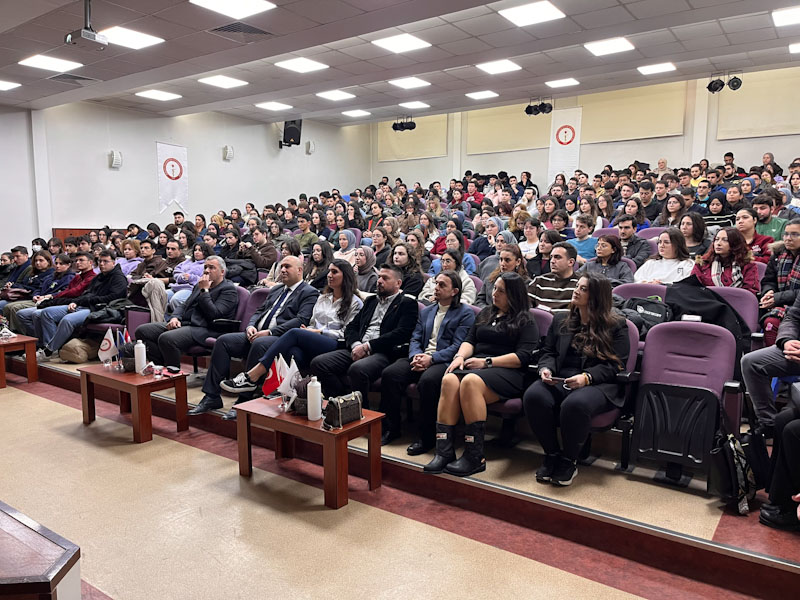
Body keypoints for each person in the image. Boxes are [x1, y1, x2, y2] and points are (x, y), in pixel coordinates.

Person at [423, 272, 539, 476]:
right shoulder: (486, 313)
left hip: (508, 371)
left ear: (514, 294)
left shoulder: (526, 320)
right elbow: (470, 340)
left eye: (501, 291)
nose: (495, 293)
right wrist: (460, 357)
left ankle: (475, 456)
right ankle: (444, 451)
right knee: (449, 379)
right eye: (495, 288)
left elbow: (523, 357)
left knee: (470, 382)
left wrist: (487, 362)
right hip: (478, 366)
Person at [219, 259, 363, 419]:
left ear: (347, 276)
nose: (329, 275)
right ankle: (289, 398)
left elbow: (348, 333)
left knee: (294, 333)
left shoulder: (355, 303)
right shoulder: (323, 298)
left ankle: (253, 376)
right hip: (313, 339)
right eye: (329, 271)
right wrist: (309, 330)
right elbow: (312, 321)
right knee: (292, 351)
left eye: (334, 272)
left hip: (335, 343)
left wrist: (320, 332)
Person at [523, 273, 630, 486]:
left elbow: (615, 365)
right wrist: (545, 369)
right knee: (534, 396)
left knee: (576, 403)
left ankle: (568, 460)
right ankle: (551, 453)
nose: (576, 291)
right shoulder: (561, 318)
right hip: (562, 376)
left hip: (598, 383)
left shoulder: (617, 325)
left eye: (583, 289)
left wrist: (586, 377)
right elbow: (549, 352)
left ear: (597, 297)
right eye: (577, 286)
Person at [189, 256, 319, 414]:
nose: (282, 270)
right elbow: (259, 311)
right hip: (257, 333)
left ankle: (244, 400)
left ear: (299, 270)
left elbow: (300, 320)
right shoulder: (277, 289)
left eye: (287, 267)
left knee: (260, 343)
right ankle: (212, 396)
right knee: (223, 341)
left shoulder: (309, 292)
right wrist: (250, 326)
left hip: (281, 338)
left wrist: (270, 332)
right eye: (281, 266)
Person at [381, 271, 476, 449]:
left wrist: (431, 359)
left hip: (444, 361)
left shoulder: (465, 313)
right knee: (390, 374)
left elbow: (458, 346)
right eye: (436, 283)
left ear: (454, 291)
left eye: (442, 285)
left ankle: (427, 437)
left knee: (428, 381)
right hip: (421, 356)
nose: (436, 288)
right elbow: (415, 338)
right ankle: (391, 428)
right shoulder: (427, 311)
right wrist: (415, 356)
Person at [310, 264, 418, 409]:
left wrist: (368, 347)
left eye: (385, 278)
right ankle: (341, 403)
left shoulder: (407, 303)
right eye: (379, 277)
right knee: (319, 363)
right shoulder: (371, 301)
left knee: (357, 369)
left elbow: (400, 334)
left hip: (382, 351)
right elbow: (352, 327)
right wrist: (356, 345)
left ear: (398, 283)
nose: (379, 281)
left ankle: (362, 414)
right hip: (357, 347)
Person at [35, 250, 127, 361]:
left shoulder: (119, 278)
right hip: (83, 305)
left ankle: (48, 351)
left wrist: (86, 300)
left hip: (98, 309)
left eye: (105, 261)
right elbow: (86, 293)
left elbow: (113, 298)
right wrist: (76, 302)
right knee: (47, 313)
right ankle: (51, 347)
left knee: (68, 320)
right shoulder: (99, 277)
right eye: (100, 261)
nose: (102, 264)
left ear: (114, 262)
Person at [758, 219, 800, 346]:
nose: (788, 238)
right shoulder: (778, 255)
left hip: (796, 307)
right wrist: (769, 292)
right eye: (786, 234)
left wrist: (778, 298)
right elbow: (769, 280)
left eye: (795, 234)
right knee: (770, 322)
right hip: (780, 304)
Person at [691, 227, 760, 295]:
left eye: (725, 240)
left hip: (737, 303)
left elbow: (750, 293)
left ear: (735, 244)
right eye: (716, 239)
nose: (718, 243)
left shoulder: (748, 265)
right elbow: (693, 288)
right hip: (708, 302)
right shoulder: (702, 263)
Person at [529, 242, 580, 314]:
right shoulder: (539, 281)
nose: (552, 261)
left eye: (557, 257)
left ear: (571, 262)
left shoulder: (581, 284)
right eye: (551, 257)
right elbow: (525, 307)